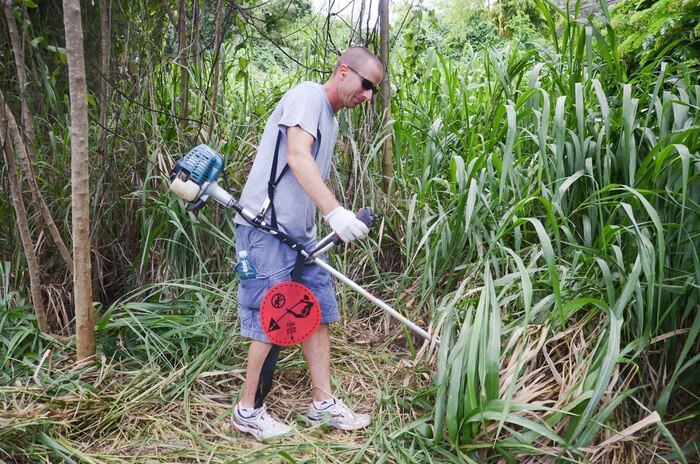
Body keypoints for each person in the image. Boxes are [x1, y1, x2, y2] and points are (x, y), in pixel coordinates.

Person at [231, 46, 383, 441]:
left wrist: (326, 223)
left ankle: (322, 404)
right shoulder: (307, 96)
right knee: (273, 317)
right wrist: (336, 212)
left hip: (302, 237)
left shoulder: (330, 118)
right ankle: (247, 410)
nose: (367, 96)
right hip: (264, 229)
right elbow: (298, 156)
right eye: (366, 85)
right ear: (344, 71)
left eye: (373, 91)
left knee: (316, 311)